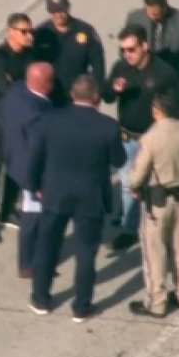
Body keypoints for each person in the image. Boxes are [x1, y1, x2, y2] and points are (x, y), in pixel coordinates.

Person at [25, 74, 126, 322]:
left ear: (72, 95)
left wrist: (35, 185)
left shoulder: (50, 120)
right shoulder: (108, 126)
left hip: (55, 192)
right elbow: (119, 161)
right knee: (85, 252)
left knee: (47, 245)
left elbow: (35, 157)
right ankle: (81, 306)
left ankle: (41, 298)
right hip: (90, 196)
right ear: (96, 98)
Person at [101, 24, 179, 253]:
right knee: (129, 183)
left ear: (144, 46)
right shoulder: (121, 68)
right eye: (123, 50)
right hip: (127, 137)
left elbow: (175, 107)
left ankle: (161, 230)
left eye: (132, 49)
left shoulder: (163, 73)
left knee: (156, 186)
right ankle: (129, 229)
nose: (127, 55)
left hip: (152, 139)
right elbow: (105, 96)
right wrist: (114, 90)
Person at [126, 90, 179, 317]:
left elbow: (138, 173)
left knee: (155, 252)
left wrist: (134, 185)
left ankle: (157, 301)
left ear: (157, 110)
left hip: (157, 201)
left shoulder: (151, 137)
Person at [0, 12, 36, 244]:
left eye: (30, 31)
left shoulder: (30, 56)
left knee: (16, 169)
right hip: (2, 123)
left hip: (23, 122)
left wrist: (20, 86)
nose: (29, 35)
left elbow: (33, 86)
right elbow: (5, 91)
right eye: (24, 31)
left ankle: (7, 209)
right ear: (11, 32)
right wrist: (21, 89)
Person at [0, 61, 56, 278]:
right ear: (45, 85)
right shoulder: (38, 112)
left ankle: (30, 259)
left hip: (14, 160)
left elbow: (0, 112)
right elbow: (37, 150)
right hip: (32, 173)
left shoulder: (17, 90)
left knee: (33, 213)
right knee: (33, 216)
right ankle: (28, 263)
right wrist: (39, 183)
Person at [124, 0, 179, 102]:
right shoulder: (134, 19)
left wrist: (163, 75)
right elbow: (125, 51)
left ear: (164, 6)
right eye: (149, 13)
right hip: (142, 85)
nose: (153, 17)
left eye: (156, 14)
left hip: (171, 88)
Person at [32, 0, 105, 105]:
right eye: (54, 11)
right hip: (50, 97)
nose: (59, 15)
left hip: (79, 97)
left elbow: (98, 65)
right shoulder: (40, 34)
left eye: (61, 10)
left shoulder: (85, 31)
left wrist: (96, 93)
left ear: (68, 7)